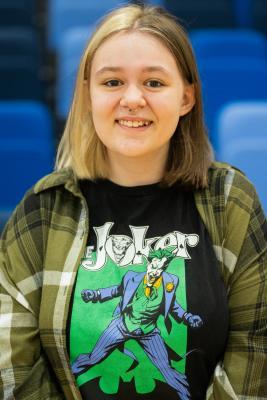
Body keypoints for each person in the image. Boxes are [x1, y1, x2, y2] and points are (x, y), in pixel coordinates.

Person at [0, 4, 266, 400]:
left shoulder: (230, 200)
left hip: (147, 336)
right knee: (95, 355)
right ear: (88, 95)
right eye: (111, 83)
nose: (133, 99)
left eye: (155, 83)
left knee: (166, 371)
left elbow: (256, 344)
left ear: (186, 98)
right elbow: (11, 365)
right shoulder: (43, 208)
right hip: (123, 328)